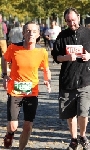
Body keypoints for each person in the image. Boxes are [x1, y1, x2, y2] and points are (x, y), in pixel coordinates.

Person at [1, 21, 51, 149]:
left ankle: (21, 148)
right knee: (13, 125)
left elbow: (45, 68)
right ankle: (10, 134)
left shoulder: (42, 52)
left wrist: (47, 80)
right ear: (23, 33)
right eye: (28, 31)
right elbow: (4, 59)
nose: (31, 34)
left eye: (34, 31)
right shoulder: (13, 47)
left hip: (31, 92)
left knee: (28, 126)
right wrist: (5, 75)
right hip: (15, 91)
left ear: (39, 34)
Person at [52, 7, 90, 150]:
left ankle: (83, 135)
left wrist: (89, 56)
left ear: (78, 17)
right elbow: (56, 56)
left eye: (73, 20)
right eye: (68, 21)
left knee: (83, 111)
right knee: (70, 113)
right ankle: (74, 139)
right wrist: (66, 57)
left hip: (85, 79)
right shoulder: (62, 36)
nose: (71, 23)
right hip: (67, 80)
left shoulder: (88, 33)